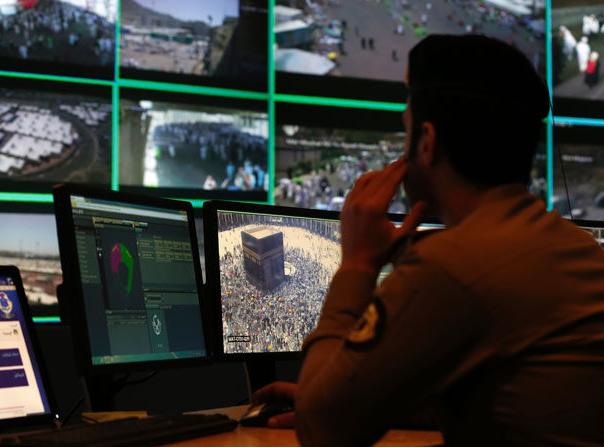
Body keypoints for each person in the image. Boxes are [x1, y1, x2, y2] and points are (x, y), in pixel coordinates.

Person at [255, 34, 604, 446]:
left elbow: (322, 431)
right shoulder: (576, 246)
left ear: (426, 141)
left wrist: (357, 264)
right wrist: (362, 393)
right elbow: (513, 404)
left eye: (406, 131)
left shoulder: (452, 264)